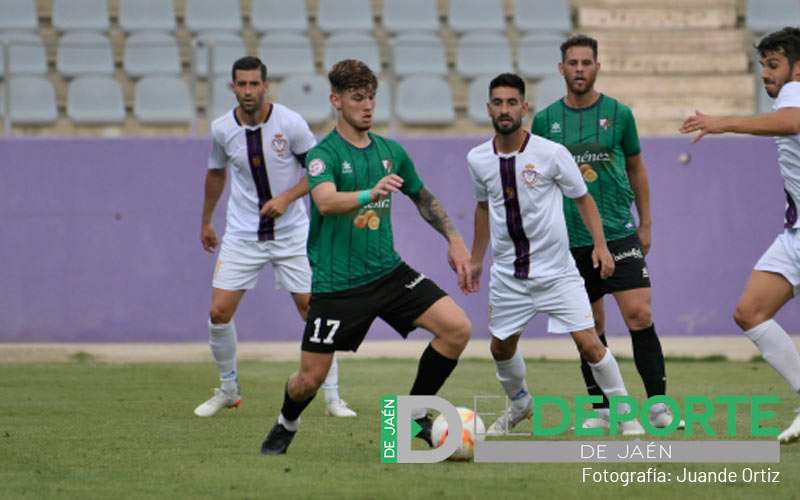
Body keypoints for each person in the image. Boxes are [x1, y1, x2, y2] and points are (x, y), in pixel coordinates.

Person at [260, 59, 473, 455]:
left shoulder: (391, 152)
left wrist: (455, 239)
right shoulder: (323, 154)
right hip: (337, 286)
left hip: (388, 273)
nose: (367, 106)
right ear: (336, 100)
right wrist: (367, 194)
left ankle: (413, 413)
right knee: (309, 379)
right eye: (357, 98)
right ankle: (286, 422)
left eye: (371, 97)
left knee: (457, 328)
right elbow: (324, 201)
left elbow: (421, 196)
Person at [466, 73, 644, 436]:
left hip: (557, 272)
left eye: (512, 102)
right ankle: (519, 404)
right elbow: (483, 208)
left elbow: (583, 198)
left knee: (590, 344)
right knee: (500, 348)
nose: (505, 109)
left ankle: (626, 415)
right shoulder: (477, 159)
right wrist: (475, 259)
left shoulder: (551, 153)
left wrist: (600, 244)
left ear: (524, 107)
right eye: (498, 102)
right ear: (488, 108)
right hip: (508, 276)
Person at [196, 56, 355, 419]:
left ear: (266, 86)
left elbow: (317, 170)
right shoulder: (222, 129)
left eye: (255, 84)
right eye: (242, 84)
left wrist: (285, 198)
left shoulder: (290, 123)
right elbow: (216, 173)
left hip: (291, 233)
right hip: (242, 234)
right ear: (233, 87)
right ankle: (228, 389)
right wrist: (206, 221)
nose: (249, 91)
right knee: (219, 312)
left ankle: (332, 397)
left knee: (313, 310)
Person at [532, 35, 678, 430]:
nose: (579, 69)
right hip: (570, 238)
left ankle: (658, 405)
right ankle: (601, 408)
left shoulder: (620, 114)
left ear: (597, 67)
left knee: (639, 314)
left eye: (586, 62)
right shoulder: (545, 121)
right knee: (589, 326)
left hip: (617, 230)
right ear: (560, 69)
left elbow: (637, 169)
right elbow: (540, 180)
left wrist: (645, 222)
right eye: (572, 63)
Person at [680, 26, 800, 444]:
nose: (765, 74)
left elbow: (792, 122)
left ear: (798, 69)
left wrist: (722, 122)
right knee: (750, 311)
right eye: (762, 65)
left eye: (773, 65)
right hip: (795, 234)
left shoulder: (795, 93)